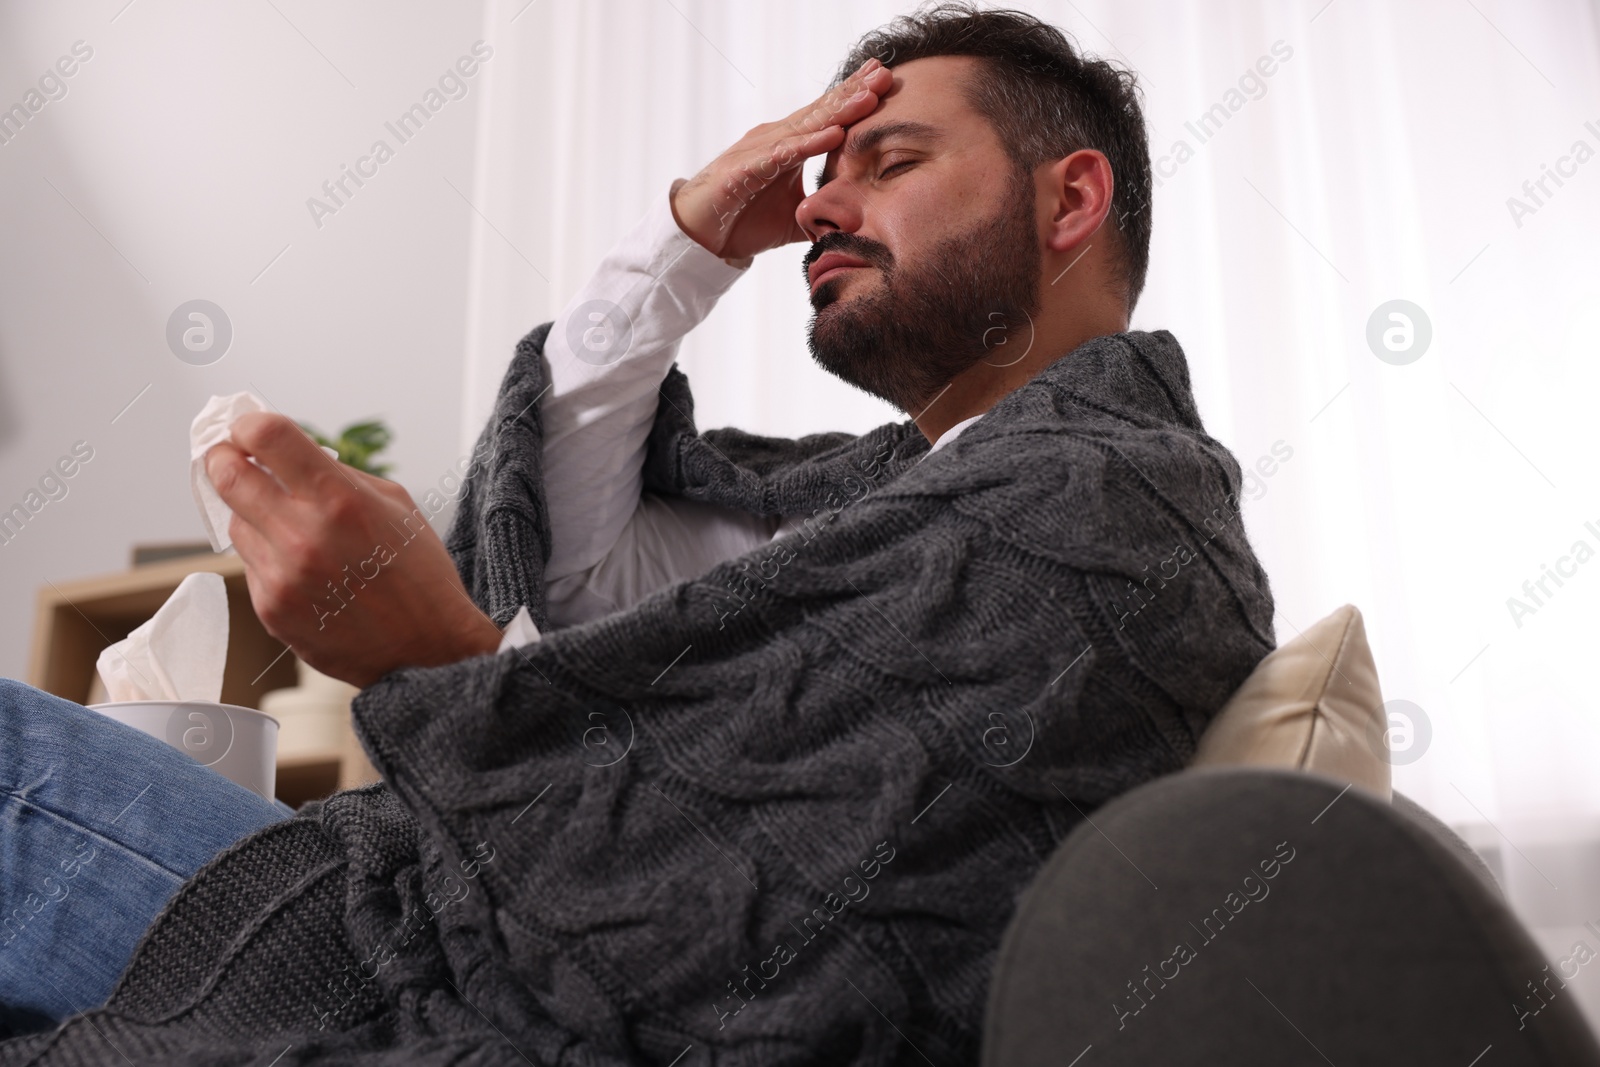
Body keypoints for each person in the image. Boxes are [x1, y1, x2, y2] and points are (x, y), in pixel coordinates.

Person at [0, 4, 1275, 1061]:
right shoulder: (892, 501)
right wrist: (692, 234)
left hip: (410, 974)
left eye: (888, 163)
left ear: (1070, 202)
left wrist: (431, 662)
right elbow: (581, 556)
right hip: (421, 927)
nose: (823, 208)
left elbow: (723, 927)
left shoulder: (1095, 513)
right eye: (819, 175)